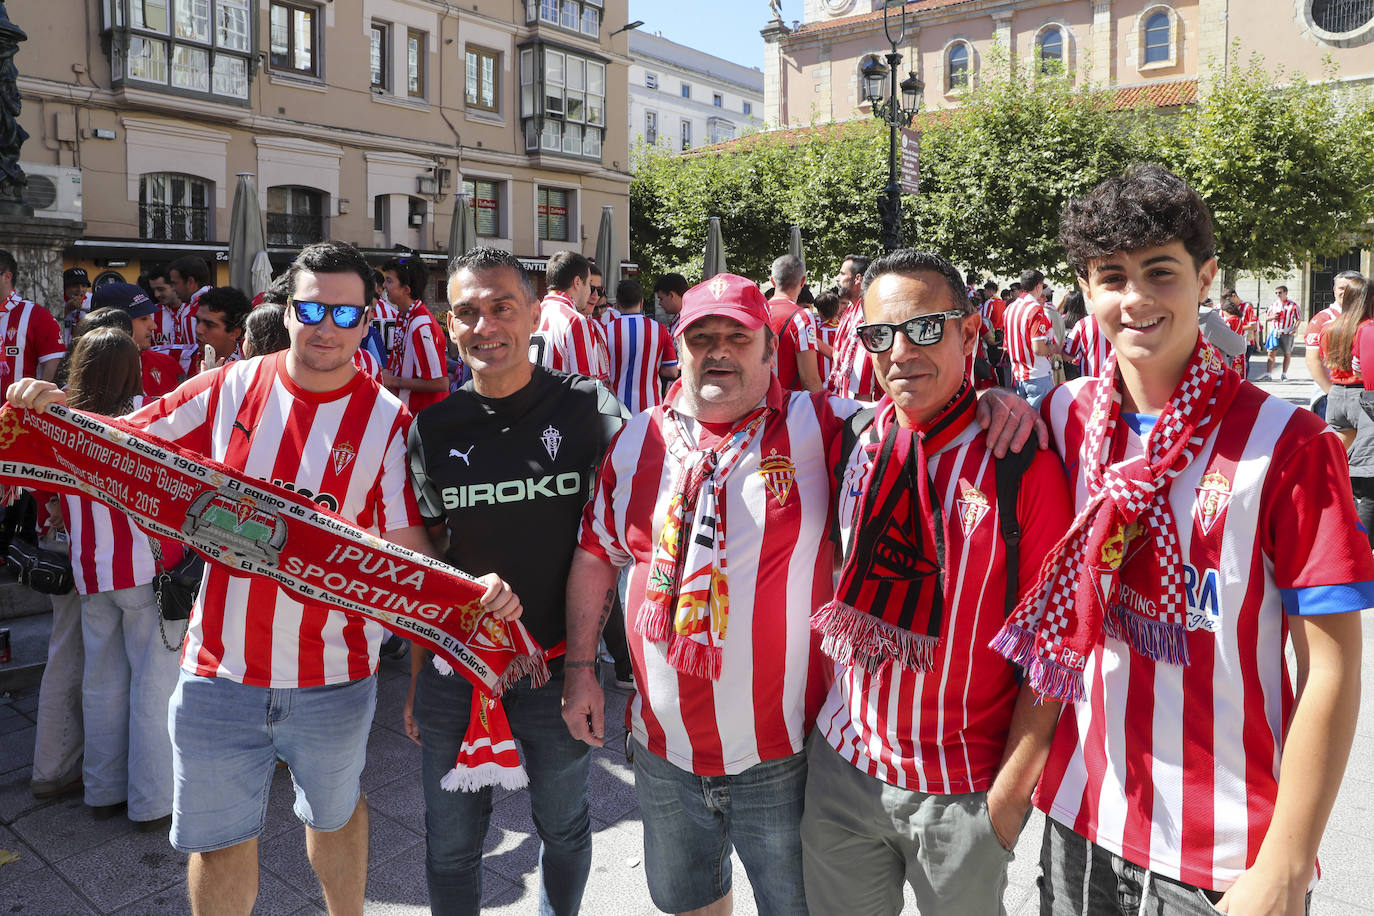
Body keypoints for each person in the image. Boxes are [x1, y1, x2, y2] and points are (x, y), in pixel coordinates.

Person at [6, 240, 521, 916]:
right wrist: (49, 415)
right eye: (311, 308)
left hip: (335, 677)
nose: (327, 327)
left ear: (369, 321)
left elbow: (405, 557)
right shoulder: (230, 387)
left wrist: (468, 597)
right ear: (287, 310)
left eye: (345, 313)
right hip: (220, 670)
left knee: (334, 819)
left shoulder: (390, 424)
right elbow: (124, 444)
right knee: (218, 846)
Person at [563, 272, 1045, 916]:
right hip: (661, 752)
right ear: (678, 348)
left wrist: (993, 398)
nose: (719, 351)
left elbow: (922, 411)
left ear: (771, 350)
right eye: (701, 337)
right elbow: (596, 552)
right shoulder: (636, 440)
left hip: (786, 760)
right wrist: (580, 670)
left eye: (738, 337)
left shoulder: (825, 427)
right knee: (688, 905)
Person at [1000, 164, 1374, 916]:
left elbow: (1330, 667)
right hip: (1083, 817)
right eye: (1111, 277)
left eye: (1159, 272)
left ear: (1206, 278)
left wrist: (1287, 863)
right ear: (1086, 290)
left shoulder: (1289, 443)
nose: (1134, 299)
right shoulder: (1064, 419)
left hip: (1227, 853)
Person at [800, 250, 1074, 916]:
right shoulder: (852, 436)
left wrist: (1006, 804)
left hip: (963, 792)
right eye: (879, 334)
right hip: (843, 770)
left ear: (971, 333)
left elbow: (1055, 644)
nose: (900, 352)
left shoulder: (1022, 463)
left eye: (925, 328)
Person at [404, 246, 624, 915]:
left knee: (564, 831)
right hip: (456, 673)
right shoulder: (434, 427)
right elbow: (426, 560)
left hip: (558, 671)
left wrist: (595, 666)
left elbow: (625, 532)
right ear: (449, 323)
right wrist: (416, 680)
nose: (486, 325)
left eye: (502, 307)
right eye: (468, 312)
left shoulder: (589, 409)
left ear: (534, 314)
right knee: (448, 847)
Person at [59, 327, 182, 831]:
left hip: (90, 568)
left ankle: (102, 789)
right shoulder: (148, 419)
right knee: (154, 687)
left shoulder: (57, 421)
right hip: (147, 568)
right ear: (133, 369)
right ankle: (152, 800)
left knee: (101, 681)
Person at [1324, 274, 1374, 541]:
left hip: (1335, 394)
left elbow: (1320, 359)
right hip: (1361, 395)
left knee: (1334, 465)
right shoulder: (1366, 327)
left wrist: (1328, 390)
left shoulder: (1330, 326)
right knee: (1364, 472)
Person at [381, 255, 449, 414]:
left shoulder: (420, 325)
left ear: (406, 290)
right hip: (411, 413)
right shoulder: (405, 316)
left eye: (389, 281)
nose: (384, 285)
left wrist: (394, 381)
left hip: (424, 418)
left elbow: (440, 383)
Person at [94, 282, 184, 397]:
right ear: (114, 324)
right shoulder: (90, 376)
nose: (153, 326)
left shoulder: (168, 365)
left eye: (150, 317)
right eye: (143, 318)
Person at [604, 278, 678, 415]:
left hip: (615, 407)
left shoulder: (605, 331)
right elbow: (672, 372)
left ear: (618, 303)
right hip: (651, 407)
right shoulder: (660, 330)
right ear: (641, 302)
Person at [531, 251, 609, 381]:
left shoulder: (531, 315)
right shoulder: (576, 320)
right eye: (589, 284)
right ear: (577, 282)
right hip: (560, 400)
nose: (591, 292)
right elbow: (586, 385)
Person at [0, 249, 64, 385]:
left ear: (7, 277)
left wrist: (37, 401)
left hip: (18, 405)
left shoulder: (37, 315)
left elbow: (53, 366)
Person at [826, 254, 881, 400]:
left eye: (842, 273)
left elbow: (863, 382)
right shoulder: (850, 312)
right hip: (846, 402)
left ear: (857, 279)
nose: (837, 278)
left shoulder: (868, 315)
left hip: (862, 410)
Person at [764, 254, 823, 392]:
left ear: (773, 282)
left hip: (757, 405)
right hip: (789, 407)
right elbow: (810, 381)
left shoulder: (757, 312)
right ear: (802, 282)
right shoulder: (801, 317)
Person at [1003, 269, 1060, 406]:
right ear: (1038, 286)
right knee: (1039, 422)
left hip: (1018, 374)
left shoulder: (1010, 308)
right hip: (1037, 374)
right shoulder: (1035, 309)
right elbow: (1039, 349)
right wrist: (1054, 348)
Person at [1307, 270, 1363, 409]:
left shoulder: (1367, 318)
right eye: (1341, 288)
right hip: (1331, 396)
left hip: (1363, 394)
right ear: (1334, 290)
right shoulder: (1322, 319)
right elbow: (1313, 359)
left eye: (1350, 289)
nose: (1345, 293)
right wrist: (1330, 391)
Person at [166, 256, 214, 347]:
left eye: (175, 283)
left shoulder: (192, 314)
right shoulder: (221, 301)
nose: (173, 289)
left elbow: (195, 355)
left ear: (190, 282)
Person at [1262, 284, 1300, 380]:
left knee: (1287, 353)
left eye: (1280, 292)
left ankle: (1284, 374)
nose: (1278, 294)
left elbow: (1298, 318)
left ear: (1286, 293)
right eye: (1276, 293)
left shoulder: (1293, 305)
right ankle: (1268, 374)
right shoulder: (1274, 305)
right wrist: (1272, 317)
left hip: (1287, 332)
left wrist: (1294, 329)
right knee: (1271, 353)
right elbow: (1266, 318)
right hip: (1275, 332)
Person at [145, 264, 186, 348]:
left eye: (161, 289)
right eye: (154, 290)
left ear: (174, 286)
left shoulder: (195, 311)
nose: (156, 294)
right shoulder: (151, 314)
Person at [61, 267, 91, 343]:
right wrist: (67, 310)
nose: (80, 290)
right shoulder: (55, 300)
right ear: (65, 287)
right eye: (75, 286)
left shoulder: (92, 299)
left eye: (83, 286)